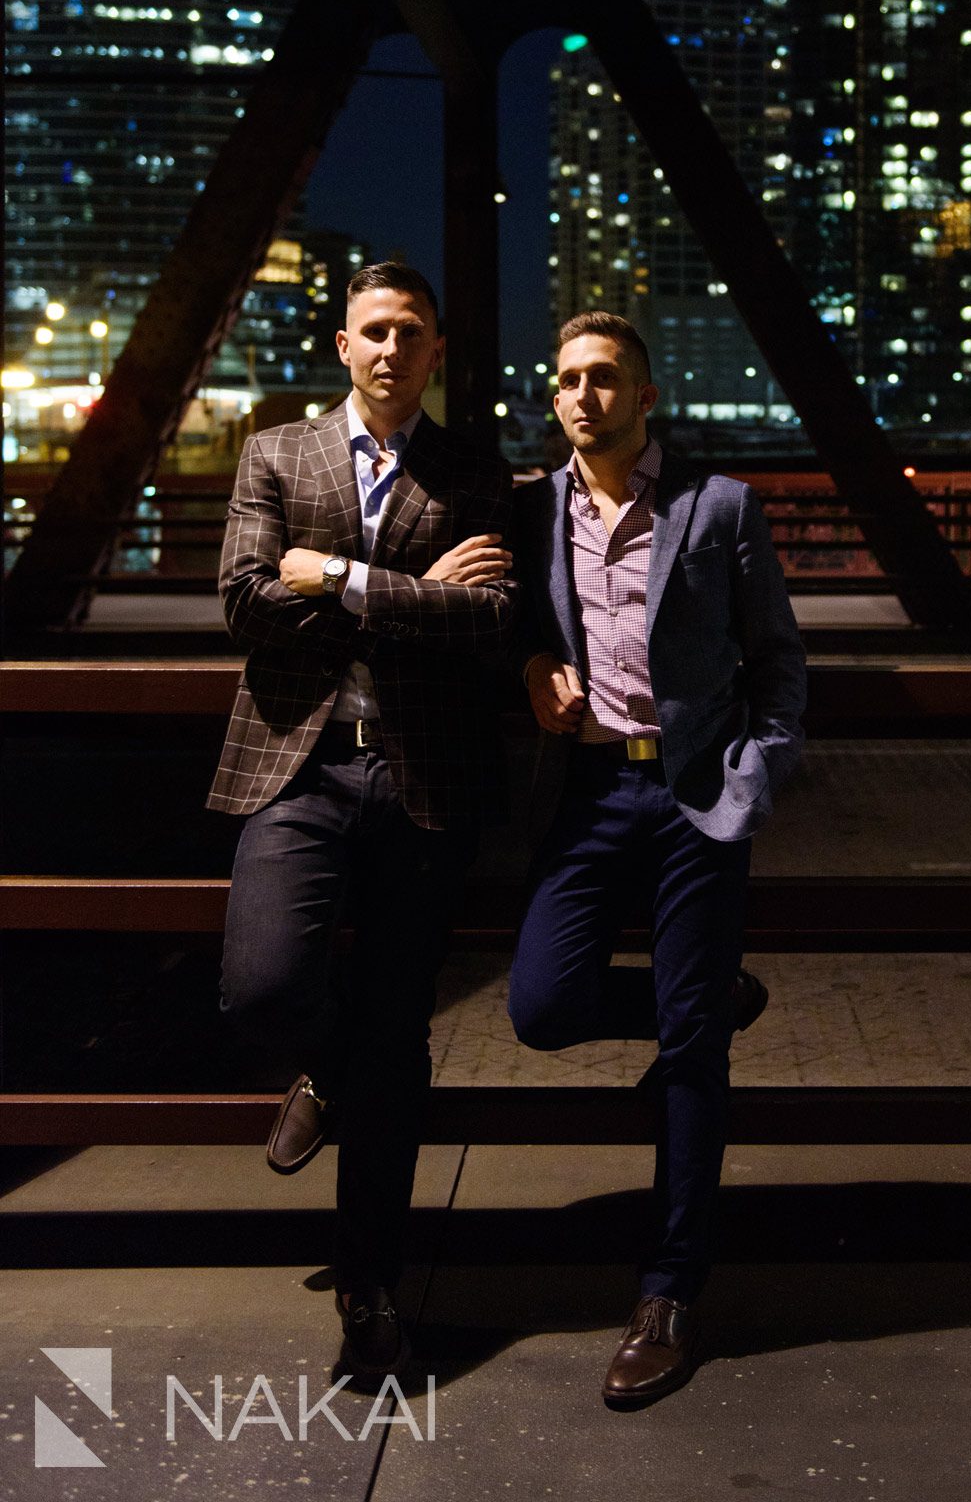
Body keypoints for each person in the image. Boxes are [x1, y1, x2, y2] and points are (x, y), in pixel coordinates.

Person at [209, 261, 516, 1391]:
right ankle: (321, 1069)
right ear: (341, 346)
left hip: (421, 777)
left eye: (412, 333)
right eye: (373, 331)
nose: (392, 349)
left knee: (399, 1038)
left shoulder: (475, 470)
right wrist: (408, 588)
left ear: (436, 353)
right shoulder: (273, 452)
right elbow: (243, 599)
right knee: (265, 989)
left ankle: (368, 1286)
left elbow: (487, 617)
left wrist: (332, 573)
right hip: (297, 766)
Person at [508, 310, 807, 1409]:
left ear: (644, 396)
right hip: (587, 789)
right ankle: (708, 995)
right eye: (566, 380)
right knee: (540, 1006)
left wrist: (754, 770)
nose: (582, 395)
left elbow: (778, 656)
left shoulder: (717, 506)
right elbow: (507, 624)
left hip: (689, 795)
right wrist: (535, 660)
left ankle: (670, 1289)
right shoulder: (531, 505)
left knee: (689, 1049)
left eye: (604, 378)